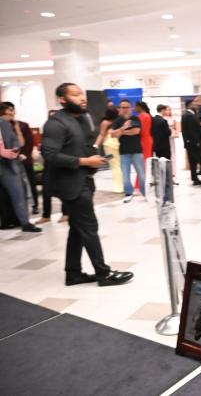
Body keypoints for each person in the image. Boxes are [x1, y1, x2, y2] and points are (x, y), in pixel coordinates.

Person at [41, 83, 134, 286]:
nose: (82, 98)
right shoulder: (55, 123)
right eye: (75, 95)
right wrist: (84, 161)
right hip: (69, 184)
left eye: (82, 93)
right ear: (63, 100)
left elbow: (84, 146)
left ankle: (73, 273)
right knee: (89, 227)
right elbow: (49, 154)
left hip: (84, 179)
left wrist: (92, 157)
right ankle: (104, 274)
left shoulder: (83, 118)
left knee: (78, 228)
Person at [0, 104, 41, 233]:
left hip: (8, 165)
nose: (11, 114)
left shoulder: (5, 124)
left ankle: (25, 222)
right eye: (9, 112)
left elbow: (16, 142)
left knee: (18, 194)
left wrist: (14, 151)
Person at [36, 110, 70, 225]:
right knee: (46, 190)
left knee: (63, 190)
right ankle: (46, 215)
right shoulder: (47, 131)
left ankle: (66, 213)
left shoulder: (65, 131)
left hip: (60, 164)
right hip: (49, 164)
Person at [110, 99, 145, 202]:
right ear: (119, 109)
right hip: (124, 152)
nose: (124, 109)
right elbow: (112, 134)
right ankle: (129, 193)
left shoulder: (135, 119)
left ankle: (144, 192)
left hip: (137, 151)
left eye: (126, 107)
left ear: (131, 108)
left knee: (142, 174)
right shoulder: (118, 120)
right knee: (125, 175)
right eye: (122, 107)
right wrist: (123, 129)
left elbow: (136, 131)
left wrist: (121, 132)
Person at [95, 106, 123, 194]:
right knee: (119, 165)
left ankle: (119, 187)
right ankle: (122, 186)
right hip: (118, 143)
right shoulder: (118, 121)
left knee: (115, 166)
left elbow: (101, 135)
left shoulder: (105, 122)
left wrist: (95, 145)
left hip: (109, 145)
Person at [181, 100, 201, 185]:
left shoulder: (189, 114)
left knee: (193, 161)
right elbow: (191, 131)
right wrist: (196, 141)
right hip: (193, 143)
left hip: (191, 143)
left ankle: (195, 178)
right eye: (193, 104)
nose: (195, 105)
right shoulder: (188, 115)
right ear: (189, 105)